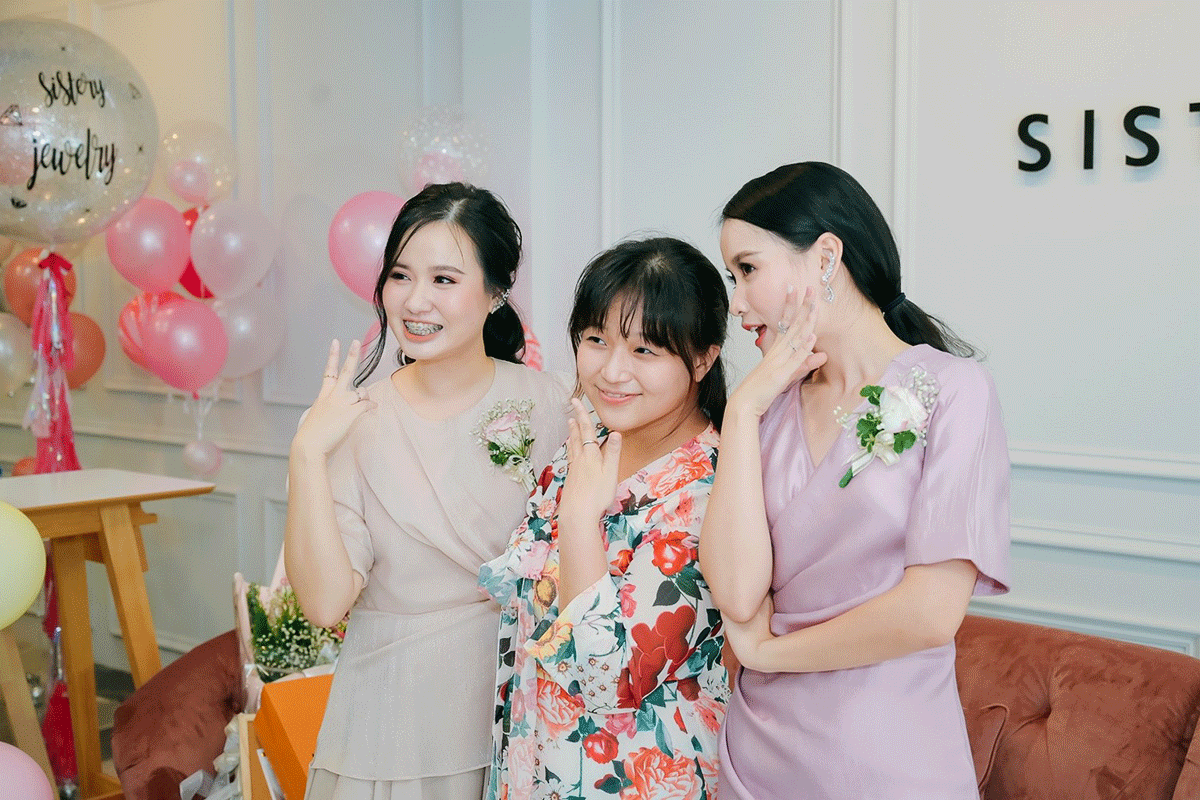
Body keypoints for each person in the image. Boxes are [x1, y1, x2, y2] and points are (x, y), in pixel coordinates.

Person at [700, 161, 1011, 799]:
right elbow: (735, 592)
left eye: (748, 269)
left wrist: (767, 654)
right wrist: (742, 409)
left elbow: (929, 613)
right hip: (757, 756)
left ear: (825, 257)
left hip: (886, 758)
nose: (735, 304)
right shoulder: (765, 409)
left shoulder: (953, 390)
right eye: (732, 277)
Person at [286, 182, 572, 800]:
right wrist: (307, 453)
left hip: (523, 707)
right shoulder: (353, 420)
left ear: (495, 293)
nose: (415, 301)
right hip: (393, 721)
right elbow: (325, 603)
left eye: (444, 279)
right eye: (400, 276)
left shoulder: (551, 404)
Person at [479, 237, 730, 800]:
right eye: (596, 339)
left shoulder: (707, 492)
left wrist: (578, 521)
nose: (612, 371)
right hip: (534, 762)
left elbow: (609, 681)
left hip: (632, 780)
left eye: (644, 350)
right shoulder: (588, 444)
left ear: (702, 358)